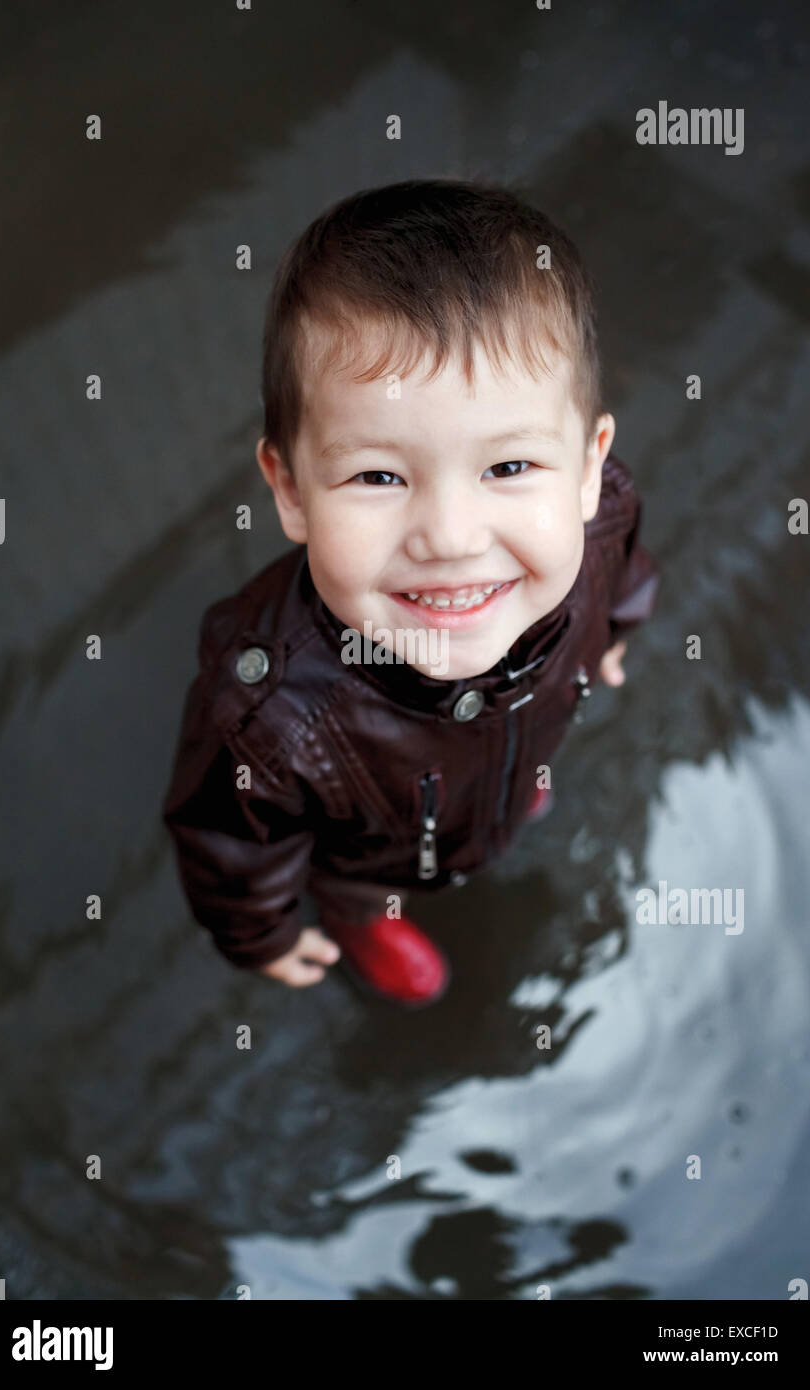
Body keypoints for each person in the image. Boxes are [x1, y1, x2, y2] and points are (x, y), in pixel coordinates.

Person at [162, 177, 660, 1007]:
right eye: (380, 475)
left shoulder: (602, 518)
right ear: (290, 490)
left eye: (507, 466)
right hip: (370, 860)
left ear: (586, 467)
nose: (451, 537)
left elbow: (627, 559)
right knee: (364, 880)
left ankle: (505, 799)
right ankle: (362, 918)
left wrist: (614, 629)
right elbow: (229, 845)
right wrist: (262, 934)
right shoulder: (265, 716)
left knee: (515, 772)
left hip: (516, 743)